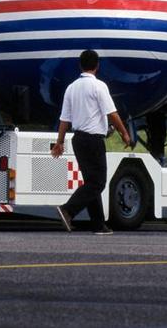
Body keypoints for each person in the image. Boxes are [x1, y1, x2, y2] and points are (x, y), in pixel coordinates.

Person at [51, 49, 132, 235]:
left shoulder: (71, 88)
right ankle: (68, 210)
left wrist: (59, 142)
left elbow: (64, 119)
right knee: (98, 183)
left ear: (80, 65)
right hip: (93, 140)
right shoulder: (99, 86)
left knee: (91, 181)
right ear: (97, 66)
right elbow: (112, 113)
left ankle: (99, 225)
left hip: (78, 140)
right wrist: (124, 133)